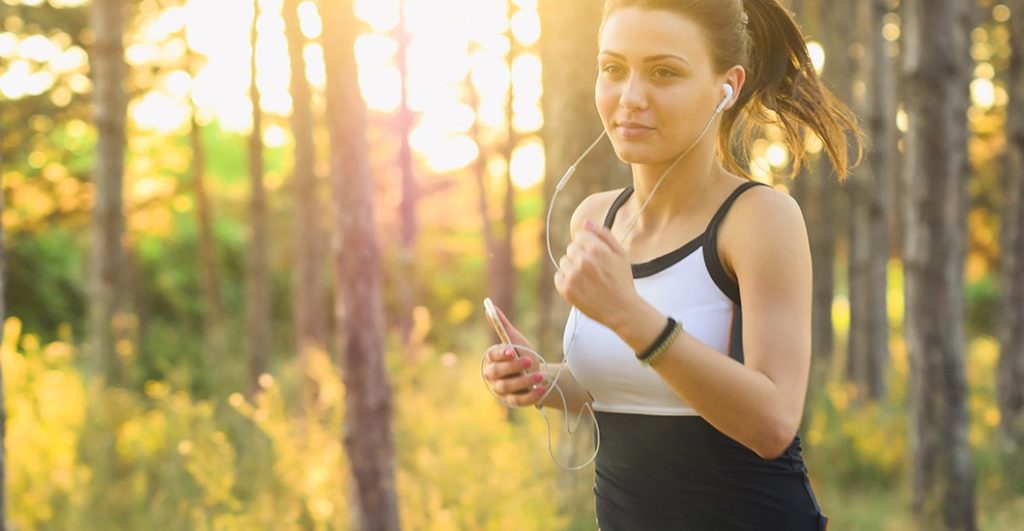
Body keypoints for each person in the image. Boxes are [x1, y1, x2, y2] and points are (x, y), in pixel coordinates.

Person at [482, 0, 861, 529]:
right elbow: (627, 388)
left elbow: (773, 423)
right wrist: (542, 380)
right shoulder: (597, 218)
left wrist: (632, 318)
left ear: (725, 86)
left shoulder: (758, 219)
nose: (630, 98)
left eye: (664, 72)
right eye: (613, 69)